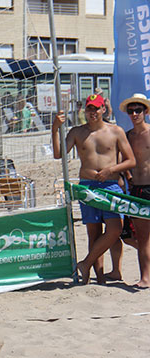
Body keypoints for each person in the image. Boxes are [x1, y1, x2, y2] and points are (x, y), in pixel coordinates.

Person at [52, 93, 136, 284]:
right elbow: (59, 154)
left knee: (115, 229)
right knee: (93, 232)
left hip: (111, 185)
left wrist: (111, 170)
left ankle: (86, 263)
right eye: (89, 108)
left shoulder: (115, 131)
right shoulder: (77, 132)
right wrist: (55, 129)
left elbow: (131, 160)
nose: (93, 112)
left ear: (103, 109)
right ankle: (99, 277)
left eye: (96, 108)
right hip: (88, 186)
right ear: (85, 111)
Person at [120, 93, 150, 287]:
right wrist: (127, 177)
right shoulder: (127, 136)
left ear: (145, 111)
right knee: (140, 236)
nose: (134, 114)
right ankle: (145, 277)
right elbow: (122, 161)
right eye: (131, 111)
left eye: (138, 110)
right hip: (137, 189)